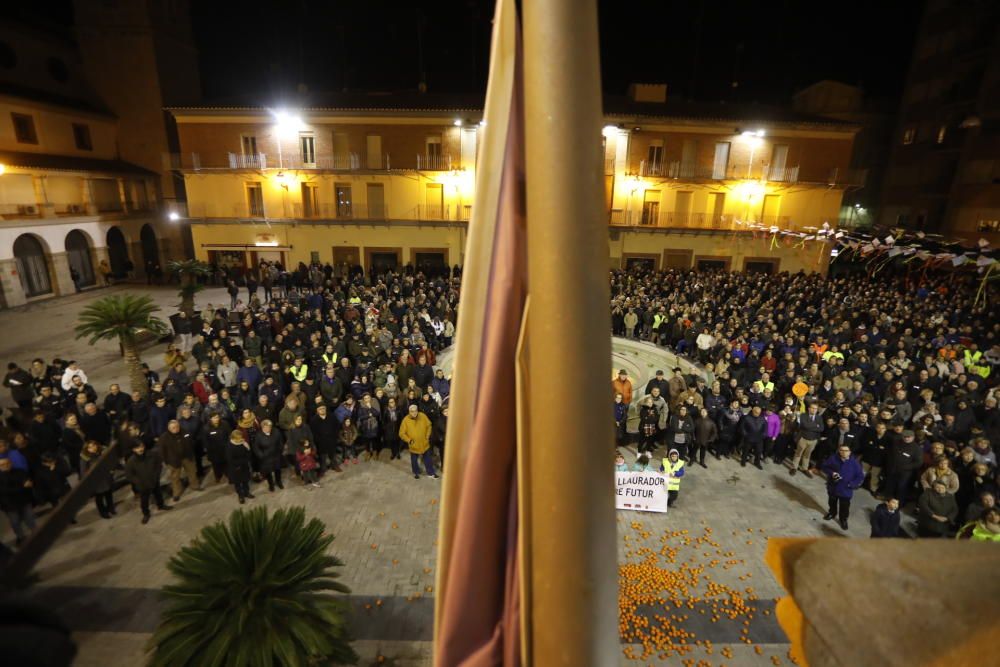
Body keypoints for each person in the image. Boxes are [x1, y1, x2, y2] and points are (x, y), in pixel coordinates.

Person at [124, 441, 171, 524]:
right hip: (143, 485)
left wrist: (156, 475)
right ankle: (146, 514)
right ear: (133, 449)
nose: (140, 449)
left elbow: (158, 464)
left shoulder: (152, 454)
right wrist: (139, 482)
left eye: (142, 446)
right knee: (144, 500)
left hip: (154, 480)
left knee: (158, 493)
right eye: (138, 448)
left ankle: (161, 505)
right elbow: (129, 475)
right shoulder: (131, 461)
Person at [821, 444, 865, 530]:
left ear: (850, 452)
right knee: (832, 502)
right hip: (833, 487)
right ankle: (832, 513)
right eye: (841, 450)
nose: (844, 452)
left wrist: (851, 484)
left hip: (846, 490)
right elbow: (824, 466)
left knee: (844, 507)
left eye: (846, 451)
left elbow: (860, 476)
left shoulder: (854, 463)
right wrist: (832, 473)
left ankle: (843, 519)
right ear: (839, 451)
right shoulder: (833, 459)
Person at [158, 419, 202, 501]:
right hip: (174, 461)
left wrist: (191, 452)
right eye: (173, 428)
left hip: (187, 457)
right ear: (169, 428)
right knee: (175, 478)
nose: (176, 429)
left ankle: (195, 485)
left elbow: (191, 441)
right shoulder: (164, 437)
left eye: (177, 427)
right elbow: (161, 451)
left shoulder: (184, 432)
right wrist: (167, 461)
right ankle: (176, 493)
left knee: (192, 472)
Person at [0, 457, 35, 545]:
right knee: (15, 522)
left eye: (7, 463)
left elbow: (27, 480)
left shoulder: (19, 471)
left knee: (30, 518)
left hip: (24, 500)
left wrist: (26, 485)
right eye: (2, 464)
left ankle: (36, 534)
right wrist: (22, 487)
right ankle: (21, 537)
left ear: (11, 463)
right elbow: (4, 490)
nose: (6, 466)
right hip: (9, 504)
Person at [400, 403, 436, 479]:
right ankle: (416, 472)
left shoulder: (422, 416)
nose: (414, 413)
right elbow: (401, 433)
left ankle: (431, 473)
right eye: (412, 411)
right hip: (414, 445)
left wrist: (427, 436)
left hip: (424, 443)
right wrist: (409, 440)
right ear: (409, 412)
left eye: (415, 411)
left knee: (428, 459)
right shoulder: (405, 420)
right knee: (414, 460)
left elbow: (429, 425)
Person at [79, 441, 114, 519]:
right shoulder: (85, 458)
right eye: (90, 447)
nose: (93, 448)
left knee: (109, 494)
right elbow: (83, 471)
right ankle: (103, 512)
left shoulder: (102, 451)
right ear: (86, 449)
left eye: (94, 446)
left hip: (106, 477)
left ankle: (111, 508)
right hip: (96, 480)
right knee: (99, 497)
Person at [789, 402, 823, 477]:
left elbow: (821, 428)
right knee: (798, 453)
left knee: (807, 455)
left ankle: (804, 468)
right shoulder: (803, 415)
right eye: (812, 408)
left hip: (813, 440)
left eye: (815, 408)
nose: (814, 410)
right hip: (803, 438)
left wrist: (811, 426)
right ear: (809, 408)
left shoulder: (819, 418)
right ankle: (794, 467)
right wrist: (815, 426)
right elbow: (804, 425)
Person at [253, 419, 285, 490]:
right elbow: (256, 447)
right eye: (266, 427)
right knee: (268, 472)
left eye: (270, 427)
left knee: (277, 470)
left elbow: (280, 442)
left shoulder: (276, 432)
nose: (268, 429)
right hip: (266, 458)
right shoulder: (258, 435)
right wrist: (261, 455)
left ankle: (278, 481)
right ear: (262, 427)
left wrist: (280, 451)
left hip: (276, 455)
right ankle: (271, 484)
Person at [225, 430, 254, 503]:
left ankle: (246, 492)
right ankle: (240, 495)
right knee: (237, 483)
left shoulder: (244, 443)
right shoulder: (229, 446)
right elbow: (230, 459)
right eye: (238, 438)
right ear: (233, 438)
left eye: (241, 438)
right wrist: (241, 462)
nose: (240, 440)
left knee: (245, 481)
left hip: (244, 466)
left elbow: (248, 453)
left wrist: (246, 458)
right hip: (236, 468)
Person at [739, 404, 768, 469]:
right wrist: (746, 435)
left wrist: (763, 435)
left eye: (759, 413)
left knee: (759, 451)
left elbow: (765, 428)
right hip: (749, 438)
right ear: (753, 411)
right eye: (756, 412)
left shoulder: (762, 419)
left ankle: (757, 463)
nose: (758, 414)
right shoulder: (746, 417)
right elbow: (742, 427)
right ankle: (743, 461)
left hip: (759, 439)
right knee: (745, 450)